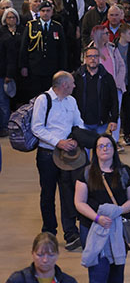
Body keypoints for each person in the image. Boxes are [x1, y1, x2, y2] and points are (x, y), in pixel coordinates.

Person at [30, 71, 86, 252]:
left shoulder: (71, 101)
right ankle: (49, 231)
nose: (75, 86)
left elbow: (79, 122)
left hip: (67, 156)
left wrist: (76, 139)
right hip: (47, 155)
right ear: (63, 85)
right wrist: (58, 142)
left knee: (68, 193)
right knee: (48, 194)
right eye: (72, 83)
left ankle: (71, 233)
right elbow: (37, 128)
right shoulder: (43, 100)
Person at [73, 133, 130, 281]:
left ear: (114, 149)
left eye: (108, 145)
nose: (105, 149)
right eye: (100, 146)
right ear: (95, 150)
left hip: (118, 228)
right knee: (98, 274)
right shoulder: (86, 173)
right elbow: (79, 202)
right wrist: (98, 218)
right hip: (92, 228)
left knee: (117, 274)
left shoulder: (125, 172)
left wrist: (118, 211)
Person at [19, 0, 67, 105]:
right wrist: (23, 66)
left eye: (48, 11)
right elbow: (24, 47)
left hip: (52, 68)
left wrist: (62, 68)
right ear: (39, 12)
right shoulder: (31, 26)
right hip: (35, 68)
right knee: (35, 97)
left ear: (52, 12)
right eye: (43, 11)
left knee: (51, 97)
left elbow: (62, 50)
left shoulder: (57, 27)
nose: (45, 13)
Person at [5, 232, 79, 283]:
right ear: (32, 253)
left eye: (51, 255)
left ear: (57, 255)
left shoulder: (69, 281)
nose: (45, 260)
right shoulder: (17, 280)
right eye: (40, 255)